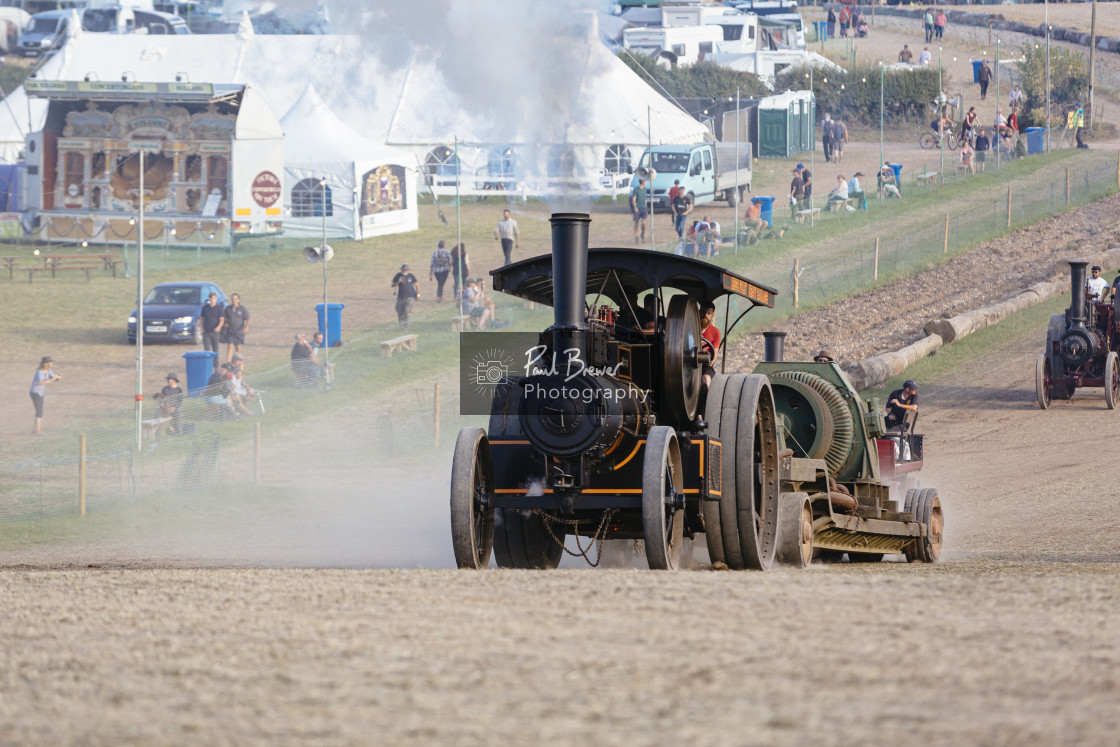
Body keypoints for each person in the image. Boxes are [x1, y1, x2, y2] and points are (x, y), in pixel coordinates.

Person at [29, 355, 62, 435]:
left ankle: (34, 429)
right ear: (46, 363)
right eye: (50, 362)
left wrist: (58, 377)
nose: (52, 363)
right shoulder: (40, 372)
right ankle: (38, 431)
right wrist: (52, 379)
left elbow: (53, 378)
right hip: (35, 392)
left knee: (38, 411)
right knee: (39, 411)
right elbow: (41, 382)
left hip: (40, 392)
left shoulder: (49, 370)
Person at [222, 293, 250, 363]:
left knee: (238, 348)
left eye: (235, 299)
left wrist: (246, 327)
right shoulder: (228, 308)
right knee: (230, 346)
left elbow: (248, 319)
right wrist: (225, 323)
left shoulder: (242, 309)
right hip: (230, 331)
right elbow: (224, 317)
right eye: (232, 299)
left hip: (239, 332)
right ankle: (228, 362)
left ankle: (239, 363)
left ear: (238, 299)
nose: (234, 300)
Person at [391, 263, 420, 330]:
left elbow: (417, 285)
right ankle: (401, 327)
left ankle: (405, 328)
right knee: (400, 312)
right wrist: (398, 282)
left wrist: (418, 295)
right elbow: (392, 285)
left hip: (410, 297)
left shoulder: (411, 276)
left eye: (406, 270)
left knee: (406, 312)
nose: (405, 271)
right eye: (403, 270)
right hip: (401, 297)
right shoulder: (398, 275)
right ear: (402, 270)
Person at [699, 301, 720, 387]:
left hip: (705, 366)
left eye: (708, 313)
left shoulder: (716, 332)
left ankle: (705, 399)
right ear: (699, 312)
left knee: (706, 378)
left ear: (712, 315)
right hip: (689, 365)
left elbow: (715, 353)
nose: (705, 315)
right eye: (703, 312)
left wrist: (712, 361)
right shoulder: (690, 328)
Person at [200, 291, 225, 362]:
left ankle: (216, 364)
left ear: (216, 299)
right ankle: (207, 363)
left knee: (215, 349)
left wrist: (219, 327)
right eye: (211, 298)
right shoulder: (205, 308)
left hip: (215, 332)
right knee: (206, 349)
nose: (212, 300)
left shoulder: (219, 308)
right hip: (206, 331)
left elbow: (222, 319)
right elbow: (201, 318)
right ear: (209, 299)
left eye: (214, 298)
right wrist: (201, 327)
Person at [429, 239, 452, 304]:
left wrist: (431, 272)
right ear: (444, 245)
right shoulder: (447, 252)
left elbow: (432, 262)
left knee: (440, 283)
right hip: (445, 270)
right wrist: (450, 268)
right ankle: (439, 297)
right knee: (441, 283)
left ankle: (440, 296)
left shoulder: (434, 252)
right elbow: (450, 261)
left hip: (436, 271)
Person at [630, 176, 649, 244]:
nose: (646, 182)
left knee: (644, 223)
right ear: (642, 182)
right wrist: (635, 207)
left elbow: (645, 199)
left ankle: (642, 234)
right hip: (638, 208)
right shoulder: (636, 189)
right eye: (645, 181)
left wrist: (646, 208)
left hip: (644, 208)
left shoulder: (645, 189)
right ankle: (636, 237)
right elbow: (634, 199)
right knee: (636, 224)